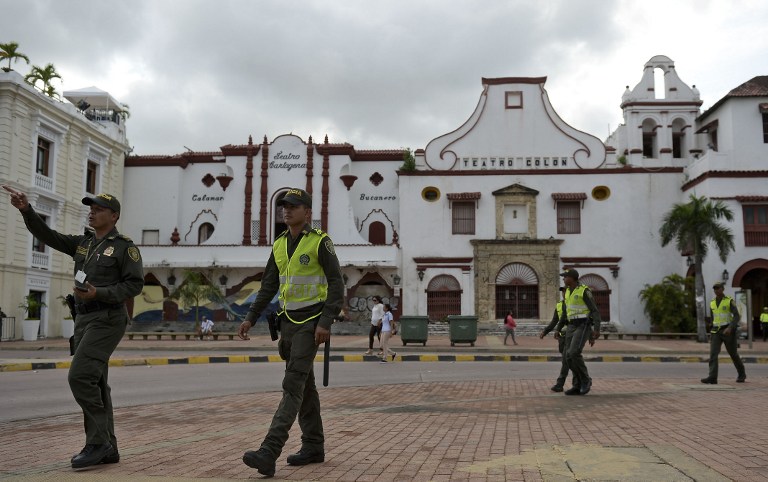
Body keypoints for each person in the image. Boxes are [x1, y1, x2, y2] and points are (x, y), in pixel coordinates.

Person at [3, 186, 144, 468]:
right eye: (90, 208)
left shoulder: (124, 247)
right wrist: (26, 210)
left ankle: (97, 442)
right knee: (97, 383)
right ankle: (109, 448)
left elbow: (134, 284)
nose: (92, 212)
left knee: (79, 377)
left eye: (98, 209)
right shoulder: (85, 243)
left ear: (114, 216)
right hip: (83, 319)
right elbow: (48, 236)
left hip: (107, 318)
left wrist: (98, 294)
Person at [237, 188, 343, 477]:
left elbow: (336, 285)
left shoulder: (321, 242)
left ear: (307, 212)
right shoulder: (280, 244)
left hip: (311, 323)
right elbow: (268, 285)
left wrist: (325, 322)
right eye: (284, 206)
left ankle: (269, 451)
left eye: (293, 206)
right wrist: (250, 317)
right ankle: (313, 445)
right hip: (287, 324)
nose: (286, 210)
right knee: (305, 385)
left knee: (292, 385)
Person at [554, 269, 600, 395]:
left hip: (583, 325)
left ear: (572, 278)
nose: (563, 279)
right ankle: (577, 384)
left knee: (574, 352)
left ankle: (585, 380)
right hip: (571, 326)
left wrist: (596, 329)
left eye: (565, 277)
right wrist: (558, 328)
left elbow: (594, 310)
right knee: (568, 357)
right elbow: (565, 313)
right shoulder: (567, 291)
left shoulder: (584, 290)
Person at [701, 282, 746, 384]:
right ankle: (712, 377)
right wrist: (711, 324)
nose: (716, 290)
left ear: (723, 289)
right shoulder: (712, 302)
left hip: (728, 331)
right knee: (713, 354)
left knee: (733, 354)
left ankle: (742, 374)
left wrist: (730, 327)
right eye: (715, 289)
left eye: (718, 288)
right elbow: (713, 317)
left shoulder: (729, 301)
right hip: (716, 331)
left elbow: (736, 316)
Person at [539, 287, 572, 392]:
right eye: (563, 291)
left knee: (566, 360)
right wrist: (545, 331)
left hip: (572, 335)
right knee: (570, 359)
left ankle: (560, 383)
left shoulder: (574, 304)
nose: (564, 293)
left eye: (566, 291)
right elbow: (554, 321)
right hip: (562, 336)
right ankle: (584, 379)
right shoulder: (559, 305)